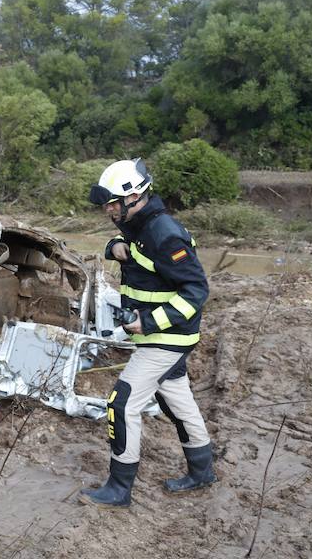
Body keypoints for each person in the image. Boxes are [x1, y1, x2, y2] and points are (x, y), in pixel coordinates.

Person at [80, 158, 216, 508]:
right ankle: (202, 472)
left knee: (121, 404)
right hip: (166, 338)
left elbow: (197, 290)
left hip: (165, 339)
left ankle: (118, 488)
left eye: (113, 203)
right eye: (107, 204)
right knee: (177, 401)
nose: (109, 210)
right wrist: (114, 247)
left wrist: (150, 322)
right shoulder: (140, 224)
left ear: (134, 197)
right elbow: (132, 248)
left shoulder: (164, 232)